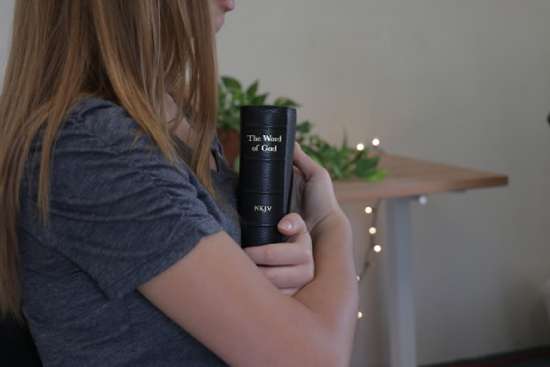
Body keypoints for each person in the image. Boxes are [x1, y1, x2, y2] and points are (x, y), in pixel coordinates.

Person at [0, 0, 359, 366]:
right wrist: (330, 226)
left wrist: (285, 273)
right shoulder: (94, 146)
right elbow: (316, 360)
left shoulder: (172, 115)